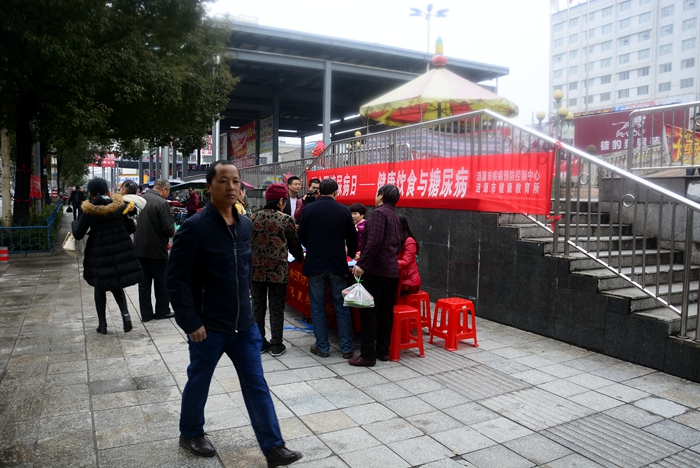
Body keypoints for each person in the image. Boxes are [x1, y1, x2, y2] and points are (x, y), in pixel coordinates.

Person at [166, 161, 303, 466]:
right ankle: (190, 432)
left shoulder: (245, 226)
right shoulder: (194, 228)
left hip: (244, 326)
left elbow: (244, 271)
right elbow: (175, 279)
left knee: (256, 384)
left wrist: (250, 314)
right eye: (223, 181)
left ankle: (273, 447)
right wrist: (191, 321)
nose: (231, 186)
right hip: (209, 326)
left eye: (236, 181)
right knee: (199, 379)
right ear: (209, 187)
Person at [72, 178, 143, 334]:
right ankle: (125, 315)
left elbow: (78, 234)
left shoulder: (89, 211)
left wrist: (75, 223)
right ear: (107, 192)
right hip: (118, 252)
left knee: (100, 287)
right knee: (116, 284)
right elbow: (131, 228)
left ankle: (102, 324)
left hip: (98, 254)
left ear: (90, 194)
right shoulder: (119, 207)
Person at [298, 178, 358, 359]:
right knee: (341, 306)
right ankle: (347, 348)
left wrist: (312, 246)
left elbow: (301, 235)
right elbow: (352, 237)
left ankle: (322, 347)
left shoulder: (308, 209)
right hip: (337, 263)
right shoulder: (343, 211)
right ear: (336, 192)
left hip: (315, 263)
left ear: (319, 192)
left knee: (317, 307)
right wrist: (351, 253)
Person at [350, 184, 402, 367]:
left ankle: (367, 355)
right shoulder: (395, 216)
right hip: (391, 271)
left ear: (381, 196)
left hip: (377, 271)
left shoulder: (380, 214)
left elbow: (374, 242)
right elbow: (397, 244)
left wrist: (362, 264)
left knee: (369, 313)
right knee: (385, 313)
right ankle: (382, 351)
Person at [250, 183, 304, 357]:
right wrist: (300, 258)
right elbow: (294, 244)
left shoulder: (252, 218)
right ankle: (276, 345)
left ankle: (259, 343)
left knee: (257, 307)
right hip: (277, 272)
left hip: (255, 270)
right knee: (276, 307)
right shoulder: (285, 219)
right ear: (281, 201)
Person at [134, 179, 176, 322]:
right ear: (164, 189)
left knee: (144, 284)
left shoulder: (140, 200)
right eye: (168, 192)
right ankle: (162, 311)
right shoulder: (162, 203)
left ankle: (146, 314)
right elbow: (168, 228)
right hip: (157, 250)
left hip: (140, 248)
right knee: (161, 282)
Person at [397, 214, 421, 295]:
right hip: (398, 278)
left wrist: (389, 261)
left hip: (408, 283)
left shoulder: (409, 241)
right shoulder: (394, 238)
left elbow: (406, 262)